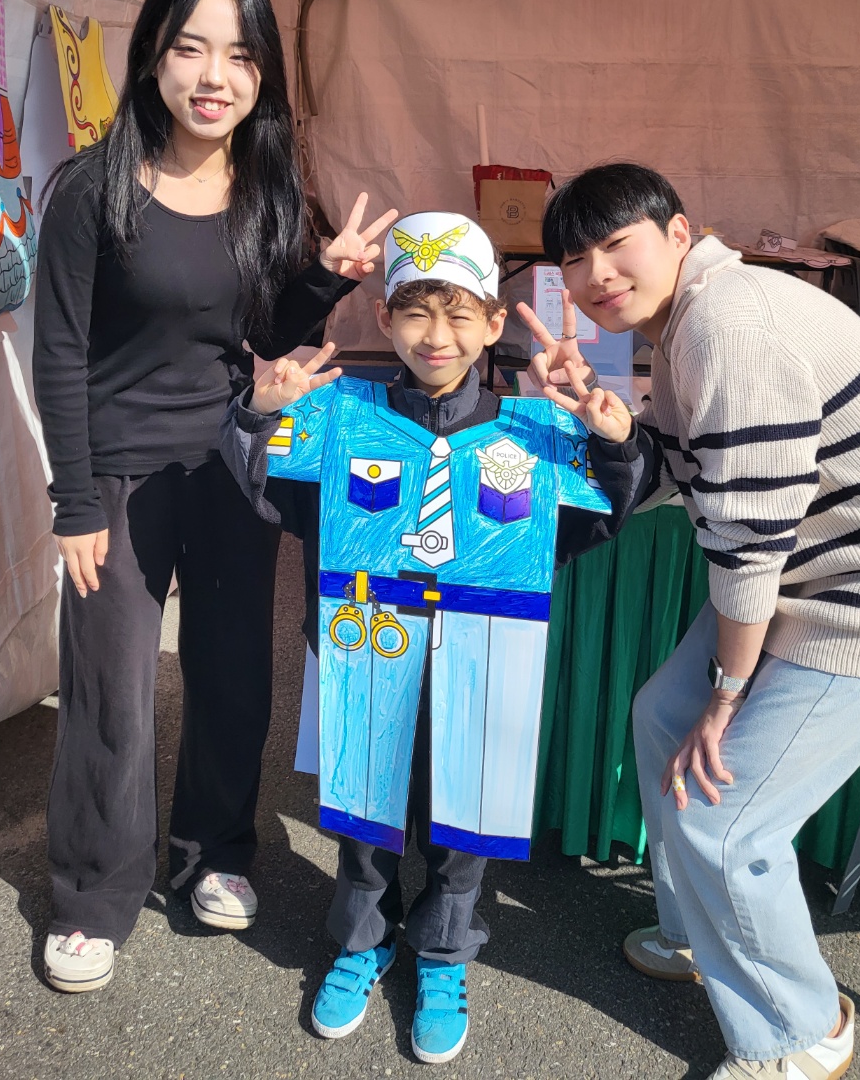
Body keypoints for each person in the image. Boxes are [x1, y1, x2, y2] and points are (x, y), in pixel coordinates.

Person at [528, 162, 860, 1080]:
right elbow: (689, 471)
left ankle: (802, 1029)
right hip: (816, 580)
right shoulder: (691, 317)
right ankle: (702, 935)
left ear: (679, 234)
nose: (597, 274)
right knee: (661, 718)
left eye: (617, 244)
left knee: (728, 822)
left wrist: (728, 694)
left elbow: (747, 543)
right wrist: (614, 427)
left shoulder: (730, 326)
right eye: (574, 260)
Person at [32, 0, 396, 993]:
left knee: (233, 671)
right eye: (191, 48)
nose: (213, 76)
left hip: (236, 462)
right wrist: (73, 500)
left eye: (238, 56)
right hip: (118, 477)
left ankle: (215, 853)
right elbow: (58, 352)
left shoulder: (265, 189)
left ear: (261, 73)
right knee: (110, 689)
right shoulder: (91, 189)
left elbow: (262, 333)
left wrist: (323, 280)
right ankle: (93, 893)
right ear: (153, 53)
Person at [221, 212, 648, 1063]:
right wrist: (257, 416)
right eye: (416, 312)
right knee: (365, 800)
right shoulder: (339, 415)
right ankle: (361, 939)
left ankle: (446, 950)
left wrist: (618, 443)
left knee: (466, 807)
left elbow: (599, 518)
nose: (437, 336)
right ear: (384, 318)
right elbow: (267, 490)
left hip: (487, 647)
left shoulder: (536, 430)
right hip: (365, 638)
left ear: (493, 324)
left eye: (460, 315)